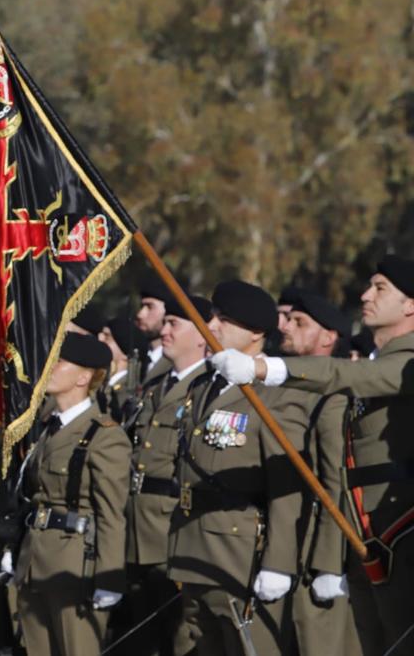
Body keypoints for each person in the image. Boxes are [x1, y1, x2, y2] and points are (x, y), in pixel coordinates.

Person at [211, 256, 414, 656]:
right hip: (362, 538)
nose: (365, 295)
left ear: (411, 305)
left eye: (380, 288)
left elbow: (350, 376)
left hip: (401, 535)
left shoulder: (404, 362)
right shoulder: (376, 363)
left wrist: (264, 367)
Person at [168, 280, 309, 655]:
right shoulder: (201, 385)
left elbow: (286, 480)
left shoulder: (277, 394)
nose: (211, 327)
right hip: (192, 545)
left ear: (257, 334)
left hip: (239, 552)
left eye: (225, 320)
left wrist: (278, 562)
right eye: (213, 317)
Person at [14, 332, 131, 655]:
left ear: (84, 377)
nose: (50, 367)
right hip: (35, 559)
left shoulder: (104, 436)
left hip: (74, 563)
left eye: (60, 362)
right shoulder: (50, 429)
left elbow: (111, 514)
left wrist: (109, 577)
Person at [116, 294, 211, 656]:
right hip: (137, 524)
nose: (164, 330)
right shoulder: (155, 387)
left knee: (181, 635)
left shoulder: (205, 388)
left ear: (202, 336)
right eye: (165, 322)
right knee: (143, 634)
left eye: (174, 324)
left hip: (171, 525)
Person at [279, 291, 362, 656]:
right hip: (279, 547)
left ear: (329, 338)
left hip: (314, 550)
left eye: (300, 323)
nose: (286, 327)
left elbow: (334, 484)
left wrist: (328, 563)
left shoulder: (332, 397)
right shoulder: (281, 383)